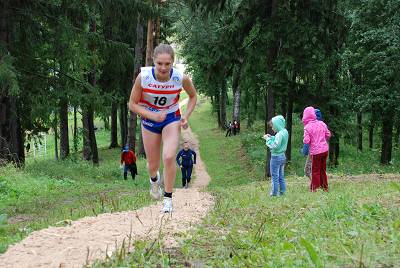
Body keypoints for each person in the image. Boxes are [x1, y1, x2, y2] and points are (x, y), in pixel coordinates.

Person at [128, 43, 197, 213]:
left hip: (171, 118)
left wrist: (185, 116)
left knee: (168, 157)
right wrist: (152, 115)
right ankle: (154, 180)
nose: (163, 68)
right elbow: (132, 104)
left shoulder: (181, 78)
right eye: (160, 63)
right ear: (154, 62)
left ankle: (168, 199)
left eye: (167, 64)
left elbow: (193, 96)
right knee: (153, 164)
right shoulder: (143, 77)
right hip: (150, 120)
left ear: (173, 62)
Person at [302, 106, 331, 192]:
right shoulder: (322, 123)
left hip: (315, 152)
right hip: (325, 150)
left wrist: (305, 138)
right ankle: (325, 187)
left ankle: (314, 188)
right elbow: (328, 134)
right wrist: (322, 139)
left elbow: (307, 141)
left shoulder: (307, 127)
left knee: (315, 171)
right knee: (323, 170)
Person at [263, 115, 288, 196]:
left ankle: (274, 194)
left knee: (274, 176)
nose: (272, 128)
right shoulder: (284, 131)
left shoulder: (279, 134)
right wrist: (272, 137)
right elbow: (279, 141)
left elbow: (275, 145)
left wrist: (268, 139)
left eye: (273, 126)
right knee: (281, 176)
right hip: (282, 156)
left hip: (276, 157)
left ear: (277, 125)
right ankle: (283, 191)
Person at [301, 108, 323, 179]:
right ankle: (319, 183)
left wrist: (304, 151)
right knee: (318, 169)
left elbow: (307, 143)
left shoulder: (309, 127)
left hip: (313, 151)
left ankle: (316, 184)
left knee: (308, 170)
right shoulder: (321, 125)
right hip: (323, 150)